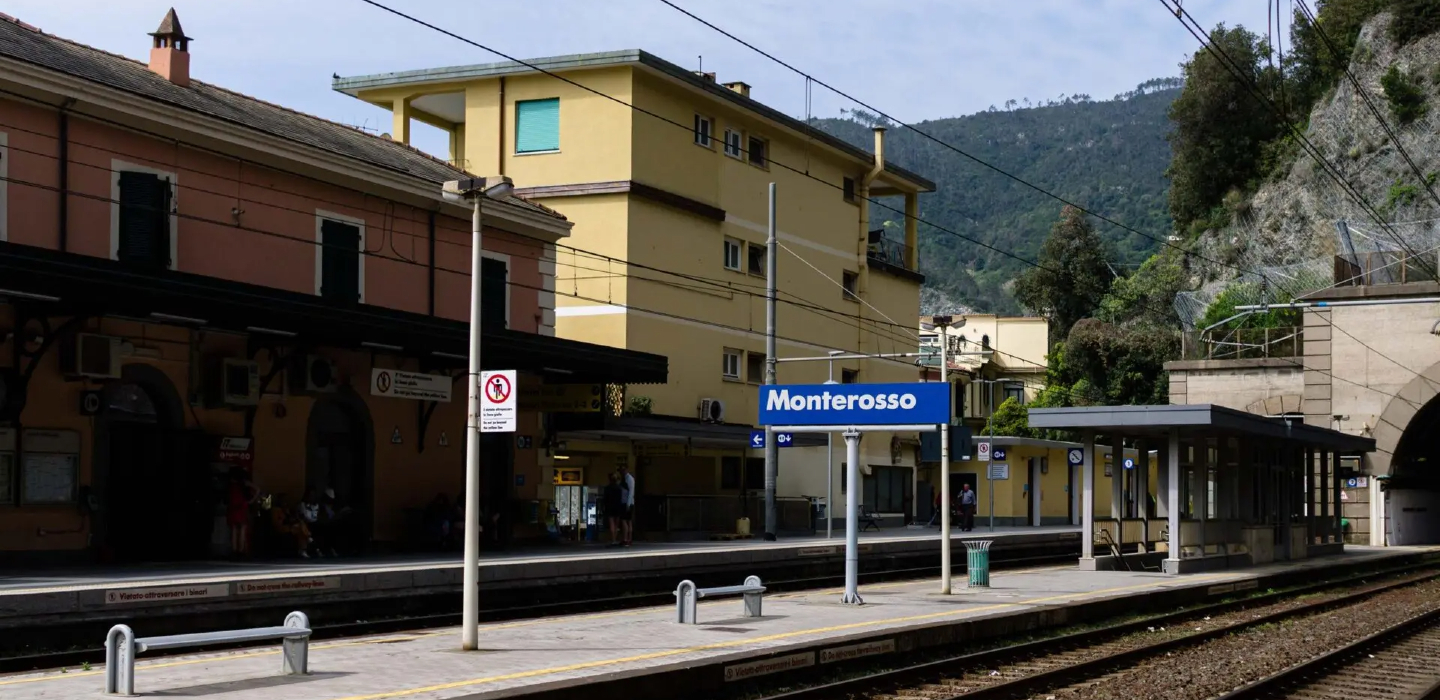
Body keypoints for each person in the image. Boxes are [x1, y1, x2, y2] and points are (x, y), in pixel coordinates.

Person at [225, 468, 257, 558]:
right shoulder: (244, 483)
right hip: (242, 506)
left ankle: (234, 551)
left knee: (234, 529)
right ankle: (241, 551)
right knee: (242, 528)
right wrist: (251, 501)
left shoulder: (231, 484)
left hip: (232, 507)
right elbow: (257, 489)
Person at [603, 473, 624, 546]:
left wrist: (604, 506)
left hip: (610, 506)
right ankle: (615, 538)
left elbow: (605, 499)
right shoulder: (619, 488)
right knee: (616, 524)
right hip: (618, 506)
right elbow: (621, 498)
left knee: (611, 523)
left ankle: (613, 539)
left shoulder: (607, 488)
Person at [618, 464, 635, 547]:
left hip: (627, 503)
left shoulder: (629, 479)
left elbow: (631, 492)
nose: (622, 472)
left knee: (625, 520)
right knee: (628, 521)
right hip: (627, 502)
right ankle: (629, 539)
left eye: (623, 470)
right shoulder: (625, 479)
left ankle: (626, 539)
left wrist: (628, 504)